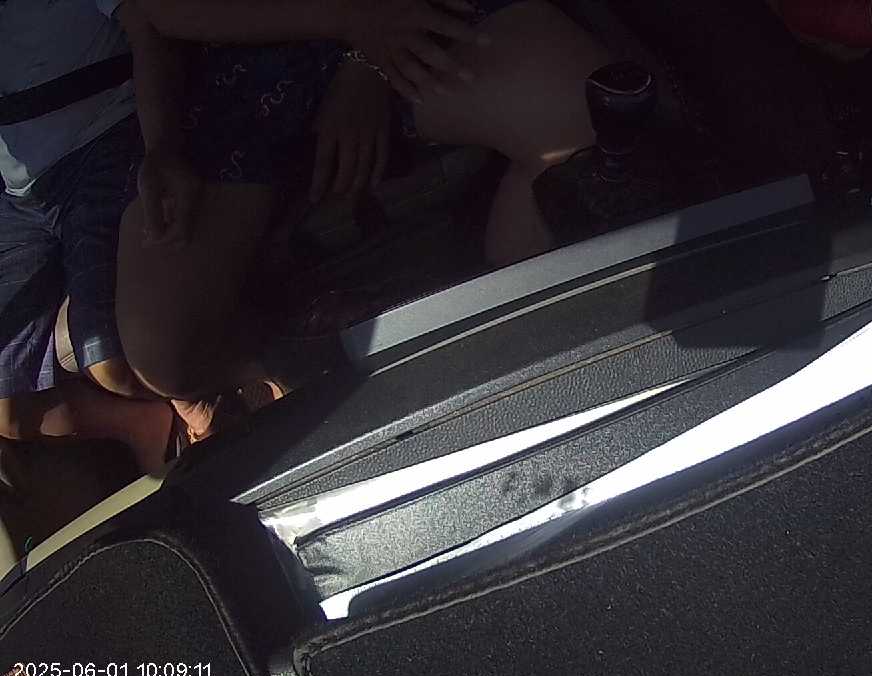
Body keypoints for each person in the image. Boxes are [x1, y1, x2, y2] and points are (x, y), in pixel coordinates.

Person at [117, 0, 612, 402]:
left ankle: (526, 360)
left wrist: (366, 62)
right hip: (242, 60)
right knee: (165, 352)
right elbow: (159, 10)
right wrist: (161, 144)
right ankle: (301, 360)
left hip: (409, 15)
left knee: (588, 113)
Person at [0, 0, 189, 476]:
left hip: (104, 136)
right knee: (8, 410)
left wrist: (161, 146)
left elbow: (147, 30)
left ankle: (209, 405)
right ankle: (149, 425)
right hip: (19, 195)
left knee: (108, 359)